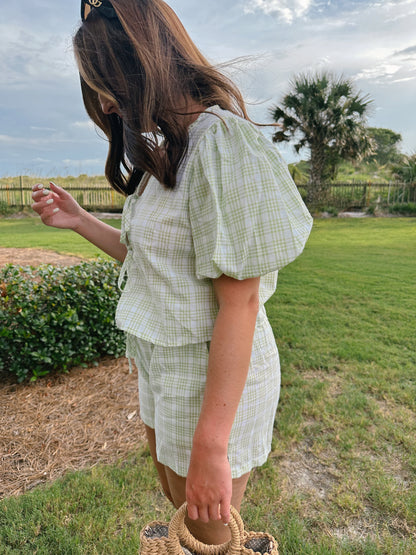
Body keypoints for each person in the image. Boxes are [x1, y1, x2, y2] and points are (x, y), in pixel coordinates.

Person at [32, 0, 313, 548]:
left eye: (105, 84)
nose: (106, 104)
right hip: (167, 365)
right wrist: (79, 220)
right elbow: (155, 264)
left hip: (214, 374)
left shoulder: (222, 145)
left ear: (141, 65)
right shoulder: (171, 152)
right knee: (177, 501)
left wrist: (213, 443)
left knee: (207, 530)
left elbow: (241, 303)